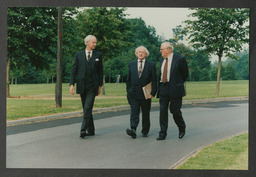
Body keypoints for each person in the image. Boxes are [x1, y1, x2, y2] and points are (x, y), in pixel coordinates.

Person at [70, 35, 103, 138]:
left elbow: (100, 71)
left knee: (88, 107)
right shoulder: (78, 55)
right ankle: (91, 130)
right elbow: (74, 70)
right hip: (82, 86)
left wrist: (100, 85)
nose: (95, 44)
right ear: (87, 43)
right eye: (93, 42)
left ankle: (83, 129)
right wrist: (72, 84)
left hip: (92, 87)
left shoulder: (98, 55)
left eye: (95, 42)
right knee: (86, 109)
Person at [156, 42, 188, 140]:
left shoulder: (180, 59)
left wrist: (177, 83)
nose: (160, 51)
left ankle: (181, 127)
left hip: (175, 88)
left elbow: (185, 74)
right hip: (163, 88)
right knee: (162, 111)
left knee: (175, 111)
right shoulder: (162, 60)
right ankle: (162, 133)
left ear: (168, 49)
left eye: (162, 49)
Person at [126, 46, 157, 138]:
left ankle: (145, 130)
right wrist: (129, 90)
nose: (140, 53)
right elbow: (128, 79)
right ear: (136, 54)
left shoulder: (151, 65)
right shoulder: (131, 64)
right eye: (138, 52)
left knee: (145, 113)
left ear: (146, 54)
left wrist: (153, 92)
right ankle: (133, 129)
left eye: (142, 52)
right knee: (134, 112)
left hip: (146, 94)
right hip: (133, 93)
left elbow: (154, 80)